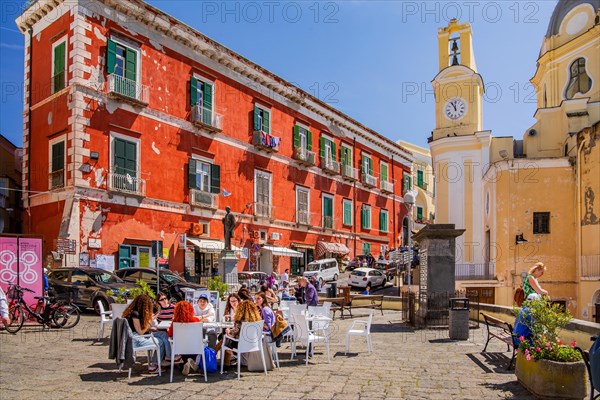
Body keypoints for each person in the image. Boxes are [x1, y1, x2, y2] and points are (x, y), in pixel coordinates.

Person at [122, 294, 172, 373]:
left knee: (163, 334)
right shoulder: (135, 314)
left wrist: (150, 328)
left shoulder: (133, 312)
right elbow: (140, 332)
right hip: (136, 340)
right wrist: (149, 321)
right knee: (160, 342)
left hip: (135, 337)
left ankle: (169, 357)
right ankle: (154, 366)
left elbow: (138, 329)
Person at [223, 297, 262, 366]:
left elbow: (233, 334)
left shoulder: (240, 321)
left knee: (224, 339)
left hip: (241, 344)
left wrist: (228, 331)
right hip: (254, 343)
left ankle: (225, 363)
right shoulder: (257, 321)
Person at [166, 301, 200, 375]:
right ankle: (190, 362)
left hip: (180, 347)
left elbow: (170, 334)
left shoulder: (175, 321)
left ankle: (185, 363)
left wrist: (168, 330)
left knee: (181, 347)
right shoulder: (196, 320)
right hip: (194, 347)